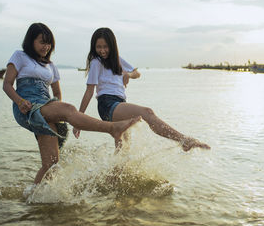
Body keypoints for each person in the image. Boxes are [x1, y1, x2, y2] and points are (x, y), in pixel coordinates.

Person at [3, 23, 140, 185]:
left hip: (46, 107)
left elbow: (57, 93)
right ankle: (112, 128)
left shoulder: (51, 66)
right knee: (69, 109)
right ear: (31, 41)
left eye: (49, 43)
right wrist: (19, 101)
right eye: (42, 42)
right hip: (27, 106)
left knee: (51, 164)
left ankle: (33, 199)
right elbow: (7, 84)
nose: (46, 46)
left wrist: (56, 112)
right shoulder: (20, 56)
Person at [73, 27, 211, 152]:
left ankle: (113, 177)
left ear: (112, 46)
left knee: (123, 150)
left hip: (120, 103)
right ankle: (183, 140)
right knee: (147, 112)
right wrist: (78, 120)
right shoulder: (96, 62)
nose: (102, 50)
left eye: (105, 46)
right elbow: (89, 91)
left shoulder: (117, 60)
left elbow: (137, 73)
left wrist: (128, 75)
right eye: (98, 47)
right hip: (108, 105)